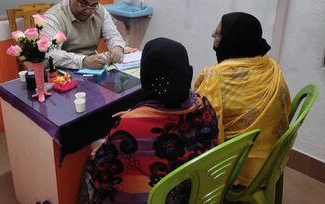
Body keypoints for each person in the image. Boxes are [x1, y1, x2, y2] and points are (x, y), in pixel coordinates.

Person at [78, 37, 219, 204]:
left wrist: (100, 147)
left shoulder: (128, 128)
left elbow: (101, 175)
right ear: (187, 72)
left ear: (145, 75)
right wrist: (137, 114)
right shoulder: (203, 106)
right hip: (191, 195)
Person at [194, 12, 291, 186]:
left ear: (232, 39)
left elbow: (198, 121)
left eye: (217, 35)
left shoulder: (215, 77)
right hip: (271, 159)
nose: (214, 40)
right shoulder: (271, 67)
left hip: (237, 166)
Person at [42, 0, 125, 69]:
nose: (87, 11)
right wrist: (83, 61)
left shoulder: (99, 10)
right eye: (83, 4)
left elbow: (113, 35)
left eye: (93, 6)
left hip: (92, 68)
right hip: (63, 72)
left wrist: (117, 47)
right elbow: (50, 53)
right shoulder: (54, 17)